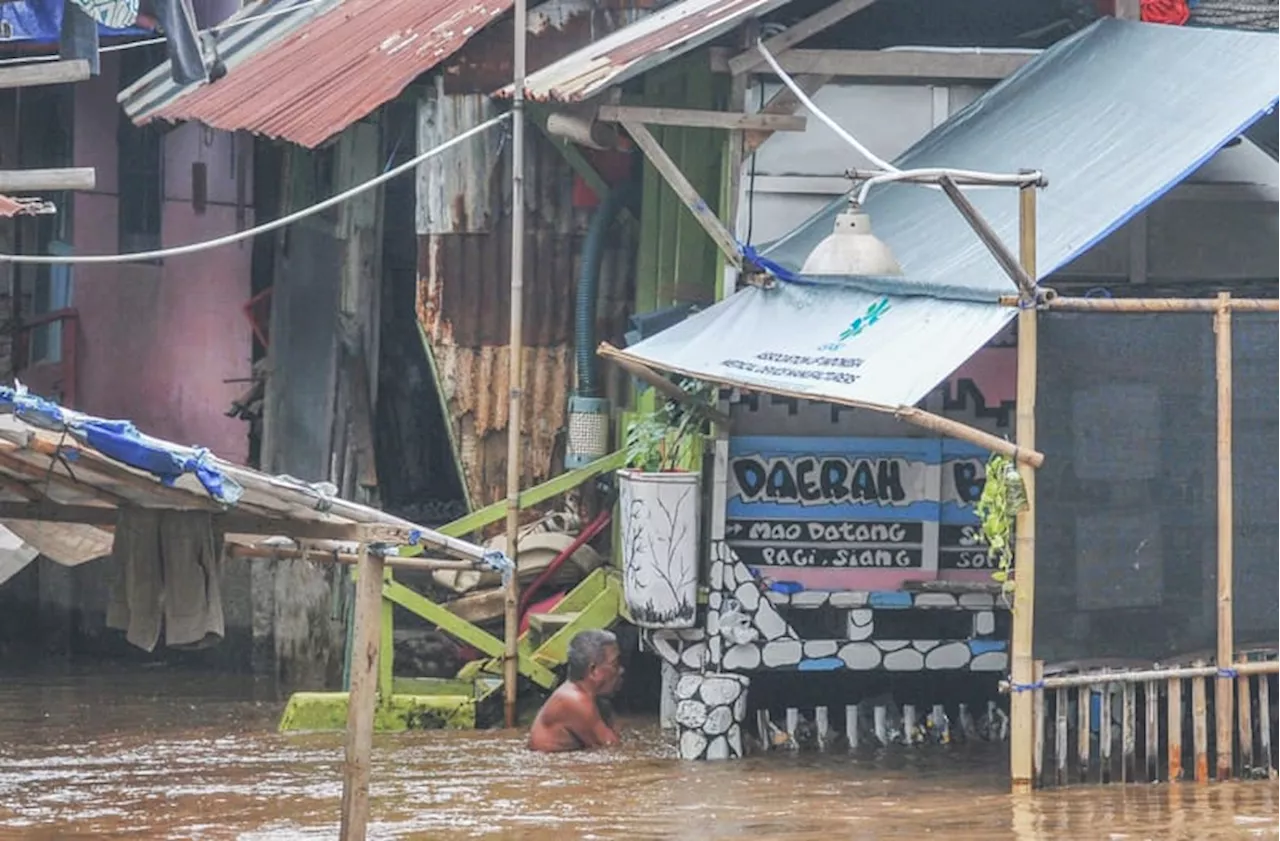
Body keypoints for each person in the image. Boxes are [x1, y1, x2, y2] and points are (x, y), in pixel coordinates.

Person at [527, 629, 624, 752]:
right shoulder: (575, 701)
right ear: (593, 670)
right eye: (615, 664)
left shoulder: (595, 702)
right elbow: (613, 749)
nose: (621, 670)